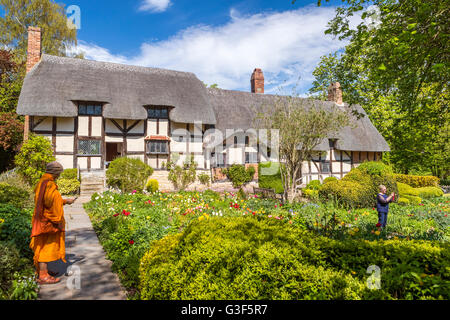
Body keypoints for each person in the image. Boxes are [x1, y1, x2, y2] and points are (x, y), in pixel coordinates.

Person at [30, 161, 76, 284]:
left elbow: (50, 200)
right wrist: (57, 218)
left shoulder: (42, 182)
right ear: (56, 172)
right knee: (46, 247)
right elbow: (50, 203)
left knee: (42, 246)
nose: (59, 176)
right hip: (48, 221)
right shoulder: (49, 184)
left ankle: (44, 271)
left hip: (41, 219)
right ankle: (43, 276)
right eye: (59, 173)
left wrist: (65, 201)